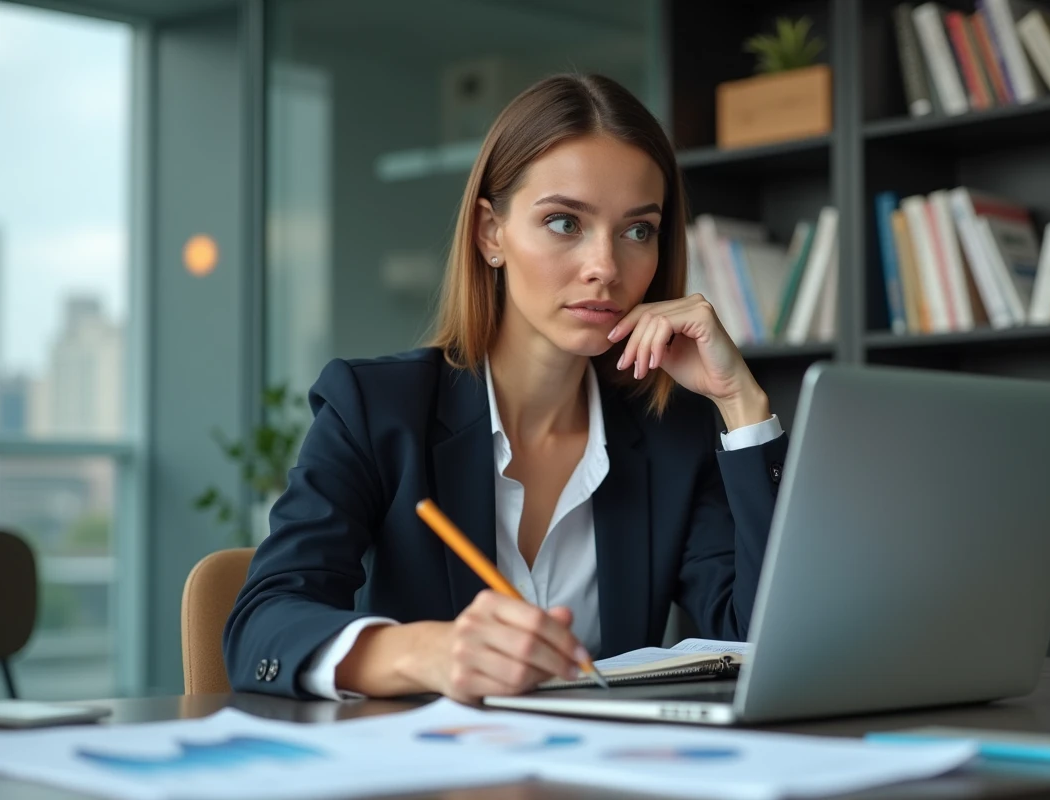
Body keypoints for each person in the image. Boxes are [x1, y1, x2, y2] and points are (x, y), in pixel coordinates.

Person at [224, 73, 789, 703]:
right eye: (564, 222)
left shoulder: (673, 434)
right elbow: (262, 627)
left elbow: (760, 640)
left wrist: (742, 406)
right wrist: (428, 654)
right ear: (491, 233)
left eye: (638, 230)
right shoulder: (377, 409)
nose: (605, 265)